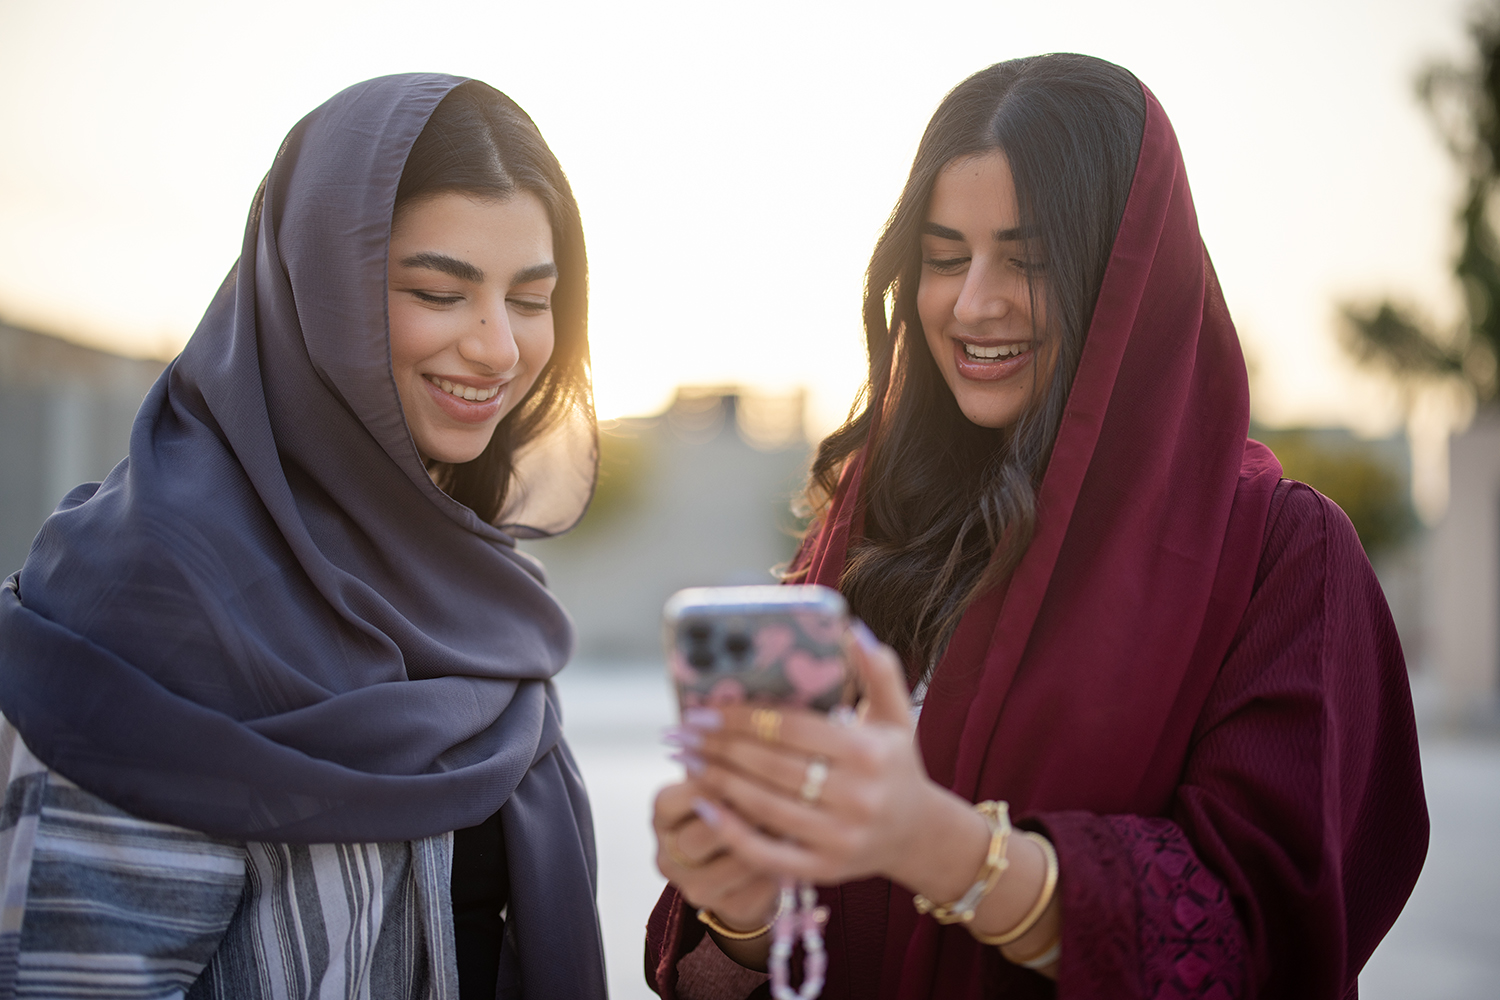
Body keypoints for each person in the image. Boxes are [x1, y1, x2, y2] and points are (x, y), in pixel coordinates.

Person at [647, 54, 1428, 999]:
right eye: (943, 259)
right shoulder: (875, 531)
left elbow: (1258, 935)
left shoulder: (1278, 555)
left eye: (1030, 261)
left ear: (1131, 276)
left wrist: (937, 846)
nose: (974, 303)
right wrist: (742, 909)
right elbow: (764, 957)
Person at [0, 74, 606, 999]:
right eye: (440, 292)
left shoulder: (474, 589)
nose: (498, 348)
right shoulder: (152, 590)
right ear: (314, 290)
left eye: (530, 299)